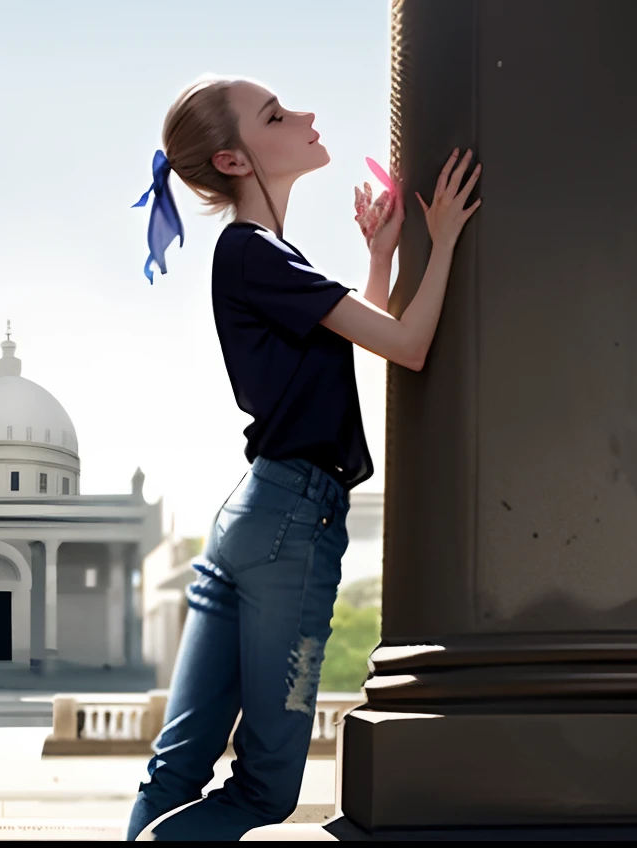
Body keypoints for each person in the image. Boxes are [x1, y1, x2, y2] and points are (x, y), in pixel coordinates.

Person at [125, 74, 481, 841]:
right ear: (233, 162)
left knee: (178, 769)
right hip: (291, 524)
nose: (307, 116)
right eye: (277, 115)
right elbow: (410, 347)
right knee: (263, 793)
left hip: (256, 517)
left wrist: (381, 255)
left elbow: (368, 334)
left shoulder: (261, 255)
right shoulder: (258, 255)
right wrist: (446, 239)